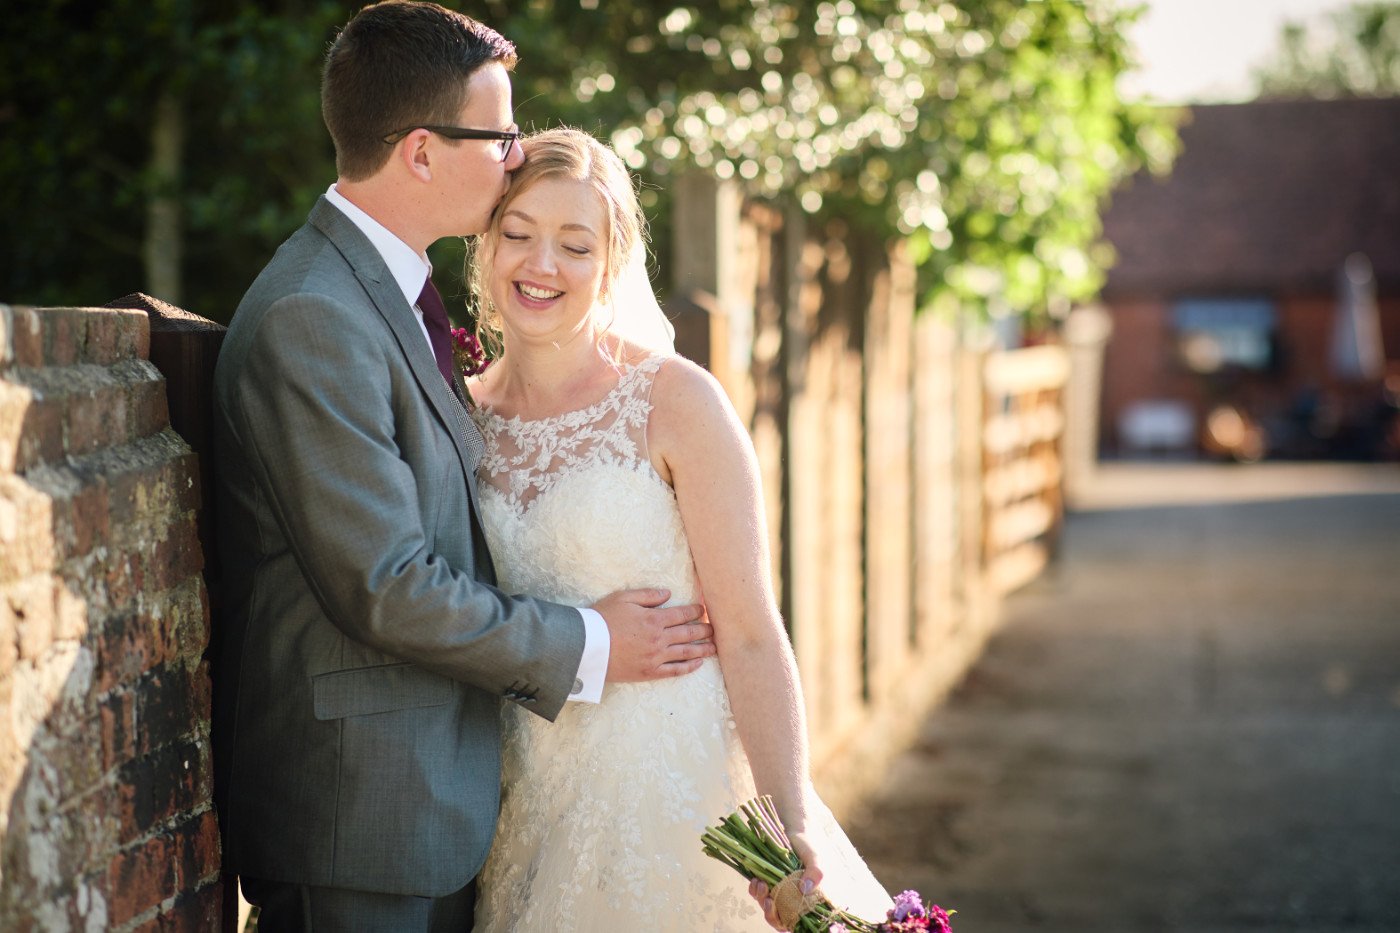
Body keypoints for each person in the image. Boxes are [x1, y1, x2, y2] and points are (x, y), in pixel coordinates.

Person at [210, 4, 714, 929]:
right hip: (359, 824)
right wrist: (592, 641)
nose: (516, 155)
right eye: (500, 135)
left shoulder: (385, 291)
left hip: (431, 806)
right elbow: (388, 586)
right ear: (419, 152)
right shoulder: (313, 317)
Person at [466, 127, 892, 932]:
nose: (541, 265)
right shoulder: (460, 415)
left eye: (575, 244)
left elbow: (752, 632)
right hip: (523, 799)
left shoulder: (676, 402)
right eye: (517, 234)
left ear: (613, 260)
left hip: (674, 792)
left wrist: (790, 821)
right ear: (485, 244)